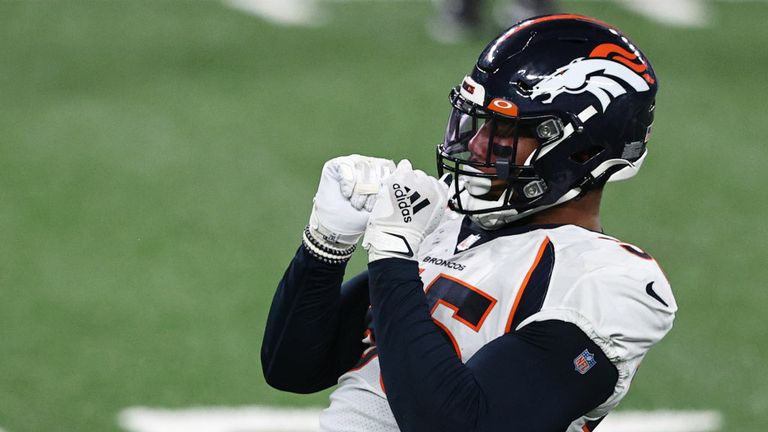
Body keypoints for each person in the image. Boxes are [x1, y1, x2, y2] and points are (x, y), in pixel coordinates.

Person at [262, 14, 676, 432]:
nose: (477, 144)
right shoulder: (446, 223)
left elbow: (455, 425)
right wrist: (326, 245)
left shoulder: (608, 281)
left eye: (507, 131)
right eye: (480, 123)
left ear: (583, 150)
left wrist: (392, 255)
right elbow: (292, 367)